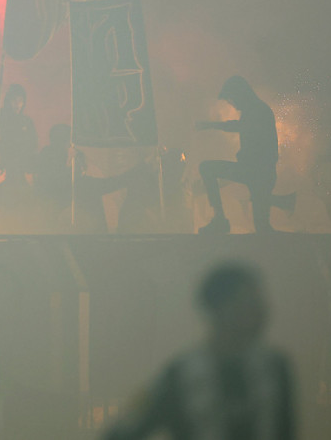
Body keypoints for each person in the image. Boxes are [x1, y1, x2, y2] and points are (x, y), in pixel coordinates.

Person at [104, 262, 295, 440]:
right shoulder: (180, 375)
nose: (262, 310)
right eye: (249, 302)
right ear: (221, 310)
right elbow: (123, 431)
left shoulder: (276, 368)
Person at [195, 76, 294, 234]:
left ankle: (219, 219)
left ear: (239, 94)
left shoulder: (258, 111)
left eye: (231, 99)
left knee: (263, 229)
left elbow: (242, 127)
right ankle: (219, 218)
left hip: (257, 173)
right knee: (263, 229)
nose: (231, 104)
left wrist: (210, 125)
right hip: (254, 172)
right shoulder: (256, 110)